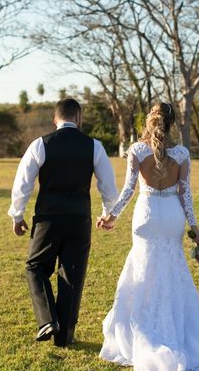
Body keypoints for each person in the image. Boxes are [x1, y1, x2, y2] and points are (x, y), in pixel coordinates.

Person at [96, 102, 199, 371]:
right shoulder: (181, 154)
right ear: (172, 124)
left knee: (142, 270)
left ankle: (140, 331)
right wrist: (196, 230)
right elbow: (186, 195)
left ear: (149, 122)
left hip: (145, 215)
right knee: (172, 269)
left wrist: (112, 215)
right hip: (171, 218)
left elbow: (130, 189)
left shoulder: (137, 150)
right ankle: (174, 330)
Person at [8, 98, 118, 347]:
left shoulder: (40, 144)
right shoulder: (94, 146)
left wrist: (18, 214)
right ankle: (64, 335)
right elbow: (108, 186)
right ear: (78, 118)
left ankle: (47, 319)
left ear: (54, 119)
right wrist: (108, 213)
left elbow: (22, 182)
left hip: (48, 218)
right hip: (80, 219)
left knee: (36, 267)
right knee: (72, 274)